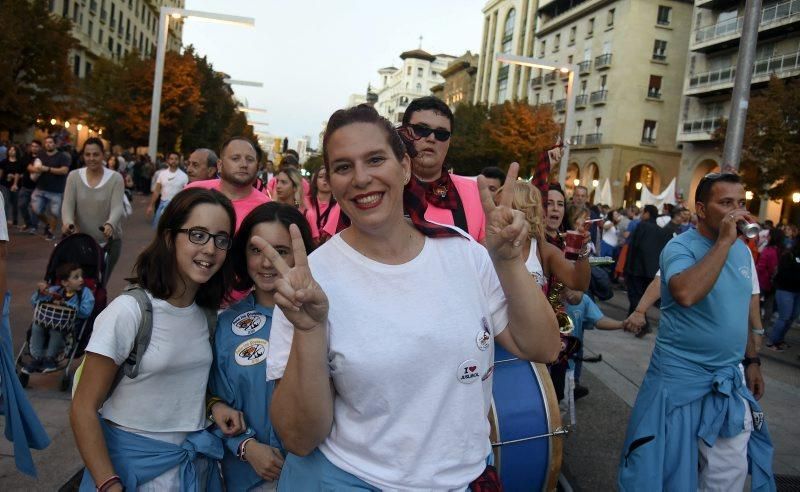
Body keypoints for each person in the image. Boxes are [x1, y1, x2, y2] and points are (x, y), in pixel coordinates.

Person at [263, 105, 559, 489]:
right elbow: (299, 438)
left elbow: (543, 346)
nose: (361, 178)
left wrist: (507, 262)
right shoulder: (308, 282)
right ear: (331, 182)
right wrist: (309, 329)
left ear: (404, 168)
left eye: (375, 159)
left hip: (462, 479)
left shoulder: (464, 253)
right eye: (343, 167)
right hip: (350, 480)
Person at [70, 188, 236, 491]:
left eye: (221, 239)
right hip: (130, 472)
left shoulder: (211, 316)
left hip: (191, 471)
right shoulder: (128, 312)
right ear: (170, 238)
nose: (211, 249)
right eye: (198, 235)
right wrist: (108, 483)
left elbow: (187, 388)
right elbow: (83, 407)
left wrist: (214, 407)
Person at [618, 173, 773, 491]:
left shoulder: (743, 253)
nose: (736, 211)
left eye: (740, 203)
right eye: (725, 203)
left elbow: (738, 311)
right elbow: (686, 293)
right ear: (701, 209)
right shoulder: (680, 247)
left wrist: (752, 360)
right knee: (671, 473)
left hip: (728, 381)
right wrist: (724, 243)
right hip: (679, 382)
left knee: (728, 472)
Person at [208, 203, 315, 490]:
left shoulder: (323, 317)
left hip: (316, 475)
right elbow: (212, 400)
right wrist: (245, 446)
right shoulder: (226, 324)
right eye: (257, 250)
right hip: (248, 477)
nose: (267, 263)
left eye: (280, 251)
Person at [402, 96, 486, 241]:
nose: (431, 138)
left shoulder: (474, 192)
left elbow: (488, 255)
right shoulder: (383, 188)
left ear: (449, 141)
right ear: (403, 132)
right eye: (421, 129)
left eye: (441, 134)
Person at [61, 138, 125, 280]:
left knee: (99, 285)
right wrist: (68, 222)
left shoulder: (116, 178)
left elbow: (117, 207)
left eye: (96, 154)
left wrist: (110, 223)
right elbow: (68, 204)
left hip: (108, 242)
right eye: (87, 154)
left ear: (103, 155)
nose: (91, 158)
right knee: (77, 283)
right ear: (83, 156)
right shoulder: (74, 176)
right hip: (80, 241)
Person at [24, 262, 95, 374]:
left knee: (56, 329)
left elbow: (86, 312)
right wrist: (41, 293)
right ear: (65, 282)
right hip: (47, 323)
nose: (81, 279)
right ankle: (37, 358)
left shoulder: (85, 294)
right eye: (76, 277)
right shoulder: (55, 290)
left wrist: (67, 305)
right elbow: (34, 303)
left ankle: (50, 359)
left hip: (69, 328)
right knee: (36, 326)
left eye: (81, 276)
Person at [563, 287, 634, 399]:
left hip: (568, 363)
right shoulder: (545, 293)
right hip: (545, 360)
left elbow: (599, 321)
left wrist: (622, 324)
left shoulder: (583, 299)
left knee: (563, 403)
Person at [185, 137, 268, 232]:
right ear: (220, 165)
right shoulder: (193, 191)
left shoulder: (266, 208)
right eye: (235, 158)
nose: (244, 164)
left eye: (250, 159)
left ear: (257, 167)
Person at [624, 204, 669, 337]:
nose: (642, 214)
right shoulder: (661, 230)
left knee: (634, 295)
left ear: (648, 213)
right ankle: (632, 321)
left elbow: (634, 245)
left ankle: (642, 324)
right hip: (651, 271)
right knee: (640, 296)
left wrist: (627, 266)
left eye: (643, 212)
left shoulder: (642, 226)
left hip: (637, 268)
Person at [30, 136, 70, 240]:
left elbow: (64, 170)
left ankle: (51, 232)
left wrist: (47, 169)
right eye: (46, 142)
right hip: (40, 188)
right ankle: (48, 224)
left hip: (56, 190)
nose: (48, 144)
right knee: (36, 209)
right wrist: (35, 169)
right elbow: (32, 166)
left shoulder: (62, 156)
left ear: (55, 144)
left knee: (54, 213)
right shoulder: (41, 154)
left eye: (51, 142)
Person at [766, 237, 800, 352]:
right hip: (785, 290)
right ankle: (772, 341)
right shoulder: (788, 255)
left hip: (797, 291)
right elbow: (784, 273)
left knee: (792, 317)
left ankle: (780, 339)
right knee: (784, 317)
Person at [146, 151, 188, 227]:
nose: (173, 161)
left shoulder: (184, 176)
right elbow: (156, 191)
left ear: (179, 161)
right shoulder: (162, 174)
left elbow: (186, 194)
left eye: (176, 159)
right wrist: (150, 206)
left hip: (176, 206)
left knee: (173, 230)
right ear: (168, 160)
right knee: (159, 229)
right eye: (171, 159)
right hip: (162, 205)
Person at [756, 228, 783, 325]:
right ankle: (764, 327)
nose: (767, 237)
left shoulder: (768, 250)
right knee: (769, 306)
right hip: (774, 283)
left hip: (763, 281)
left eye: (769, 235)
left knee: (756, 305)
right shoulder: (782, 251)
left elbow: (761, 267)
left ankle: (756, 326)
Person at [305, 166, 335, 242]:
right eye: (321, 177)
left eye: (328, 177)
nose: (325, 180)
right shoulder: (305, 201)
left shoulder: (339, 206)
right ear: (315, 181)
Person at [18, 140, 42, 233]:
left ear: (40, 147)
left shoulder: (42, 157)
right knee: (22, 205)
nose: (34, 148)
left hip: (38, 187)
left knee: (34, 208)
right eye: (32, 146)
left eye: (36, 146)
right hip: (26, 186)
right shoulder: (26, 157)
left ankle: (34, 227)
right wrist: (39, 169)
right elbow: (29, 168)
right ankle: (28, 223)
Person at [0, 144, 23, 227]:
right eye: (10, 150)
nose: (11, 151)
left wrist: (14, 176)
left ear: (16, 151)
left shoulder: (20, 162)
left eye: (13, 150)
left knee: (15, 203)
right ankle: (4, 221)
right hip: (4, 185)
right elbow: (1, 173)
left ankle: (15, 220)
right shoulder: (4, 162)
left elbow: (23, 174)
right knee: (5, 202)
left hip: (16, 186)